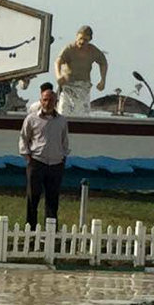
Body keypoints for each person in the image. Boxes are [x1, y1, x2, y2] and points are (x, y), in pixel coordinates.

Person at [19, 86, 70, 229]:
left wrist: (63, 156)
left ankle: (50, 233)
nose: (48, 103)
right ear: (41, 101)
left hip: (55, 164)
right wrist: (27, 156)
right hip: (37, 162)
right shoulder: (32, 119)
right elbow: (24, 138)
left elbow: (64, 140)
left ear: (56, 101)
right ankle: (31, 230)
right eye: (45, 100)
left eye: (51, 100)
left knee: (52, 200)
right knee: (32, 199)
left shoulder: (61, 121)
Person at [54, 25, 108, 116]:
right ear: (77, 37)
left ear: (90, 39)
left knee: (82, 114)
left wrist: (103, 80)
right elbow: (57, 62)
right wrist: (58, 75)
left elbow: (103, 62)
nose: (82, 42)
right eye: (80, 39)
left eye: (85, 40)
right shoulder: (69, 48)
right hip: (68, 87)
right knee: (63, 114)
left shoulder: (93, 50)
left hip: (83, 87)